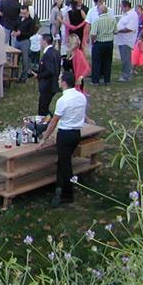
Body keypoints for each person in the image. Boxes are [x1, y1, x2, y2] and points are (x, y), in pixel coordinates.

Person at [41, 71, 88, 207]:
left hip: (65, 135)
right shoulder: (81, 97)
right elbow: (81, 113)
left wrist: (45, 137)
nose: (58, 81)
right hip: (76, 134)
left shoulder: (63, 100)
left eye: (60, 79)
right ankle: (58, 188)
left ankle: (67, 194)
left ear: (64, 83)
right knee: (63, 162)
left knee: (65, 164)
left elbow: (54, 121)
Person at [33, 34, 60, 117]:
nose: (40, 42)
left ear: (44, 41)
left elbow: (50, 71)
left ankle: (45, 126)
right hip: (53, 85)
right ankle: (50, 122)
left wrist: (39, 76)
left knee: (42, 109)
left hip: (48, 86)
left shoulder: (48, 54)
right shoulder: (55, 52)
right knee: (44, 107)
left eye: (41, 40)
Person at [89, 3, 117, 85]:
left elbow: (93, 33)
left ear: (101, 11)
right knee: (108, 61)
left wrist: (93, 41)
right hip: (109, 43)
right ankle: (107, 80)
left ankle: (95, 80)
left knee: (97, 62)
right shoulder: (112, 20)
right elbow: (116, 31)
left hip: (99, 42)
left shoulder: (97, 20)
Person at [115, 0, 138, 82]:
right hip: (122, 40)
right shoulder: (126, 14)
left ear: (126, 6)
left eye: (121, 6)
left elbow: (129, 28)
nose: (120, 8)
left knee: (126, 59)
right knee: (124, 58)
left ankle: (126, 76)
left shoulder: (132, 15)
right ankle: (125, 73)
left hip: (126, 40)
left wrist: (118, 31)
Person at [12, 6, 34, 82]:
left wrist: (20, 33)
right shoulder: (19, 18)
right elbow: (15, 25)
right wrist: (14, 31)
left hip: (25, 41)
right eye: (21, 13)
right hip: (17, 40)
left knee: (25, 60)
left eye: (24, 13)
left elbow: (30, 33)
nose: (22, 15)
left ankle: (24, 77)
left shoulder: (31, 21)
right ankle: (14, 76)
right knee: (15, 58)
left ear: (28, 12)